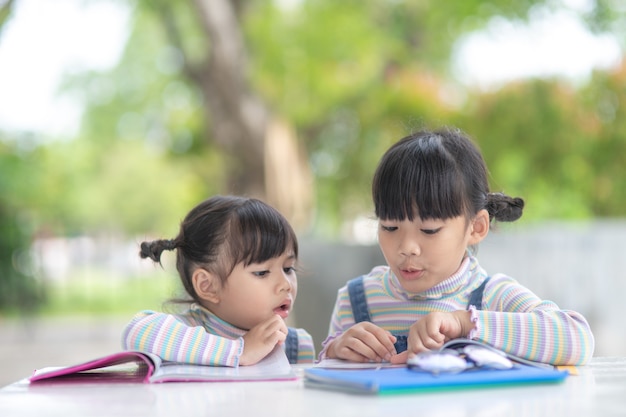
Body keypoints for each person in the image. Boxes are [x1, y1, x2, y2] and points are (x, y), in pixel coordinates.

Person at [320, 127, 594, 366]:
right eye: (390, 227)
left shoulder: (492, 297)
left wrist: (465, 324)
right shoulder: (355, 300)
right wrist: (335, 350)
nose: (407, 247)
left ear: (476, 228)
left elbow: (578, 339)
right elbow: (318, 385)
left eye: (429, 230)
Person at [122, 195, 315, 366]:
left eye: (288, 269)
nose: (286, 284)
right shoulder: (188, 329)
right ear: (208, 286)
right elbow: (137, 332)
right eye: (262, 272)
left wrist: (334, 354)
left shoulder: (296, 346)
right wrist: (240, 351)